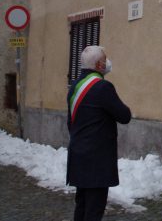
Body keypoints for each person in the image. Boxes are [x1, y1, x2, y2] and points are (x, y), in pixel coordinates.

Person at [66, 45, 132, 221]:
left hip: (78, 153)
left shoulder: (74, 86)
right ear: (99, 65)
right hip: (97, 158)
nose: (107, 62)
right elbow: (124, 116)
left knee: (82, 204)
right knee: (95, 208)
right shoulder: (103, 87)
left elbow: (70, 122)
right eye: (105, 59)